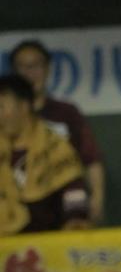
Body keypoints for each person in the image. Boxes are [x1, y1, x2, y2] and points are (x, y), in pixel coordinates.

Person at [10, 39, 106, 224]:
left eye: (35, 65)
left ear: (47, 68)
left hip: (65, 202)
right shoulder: (7, 118)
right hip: (18, 209)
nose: (30, 73)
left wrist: (97, 198)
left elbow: (91, 158)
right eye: (23, 67)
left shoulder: (66, 113)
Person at [0, 75, 90, 234]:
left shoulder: (54, 146)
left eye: (1, 107)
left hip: (49, 243)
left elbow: (73, 188)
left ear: (24, 106)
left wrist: (76, 218)